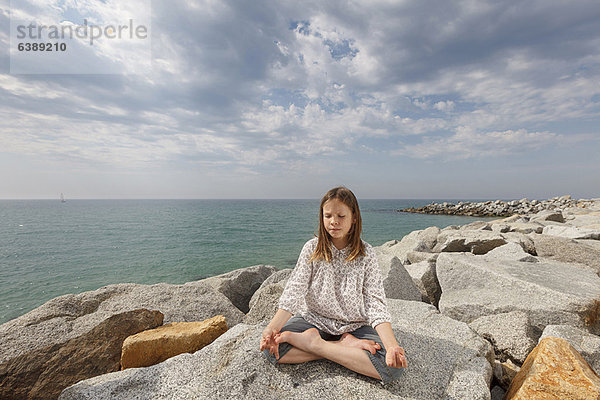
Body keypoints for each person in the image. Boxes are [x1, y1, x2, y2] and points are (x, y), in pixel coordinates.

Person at [260, 186, 407, 385]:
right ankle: (341, 346)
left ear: (354, 218)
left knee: (392, 369)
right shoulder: (312, 248)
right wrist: (272, 328)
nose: (334, 221)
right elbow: (294, 291)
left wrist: (391, 347)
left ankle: (316, 344)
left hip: (354, 326)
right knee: (273, 350)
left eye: (341, 215)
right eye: (328, 215)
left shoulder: (367, 254)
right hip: (315, 320)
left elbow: (376, 304)